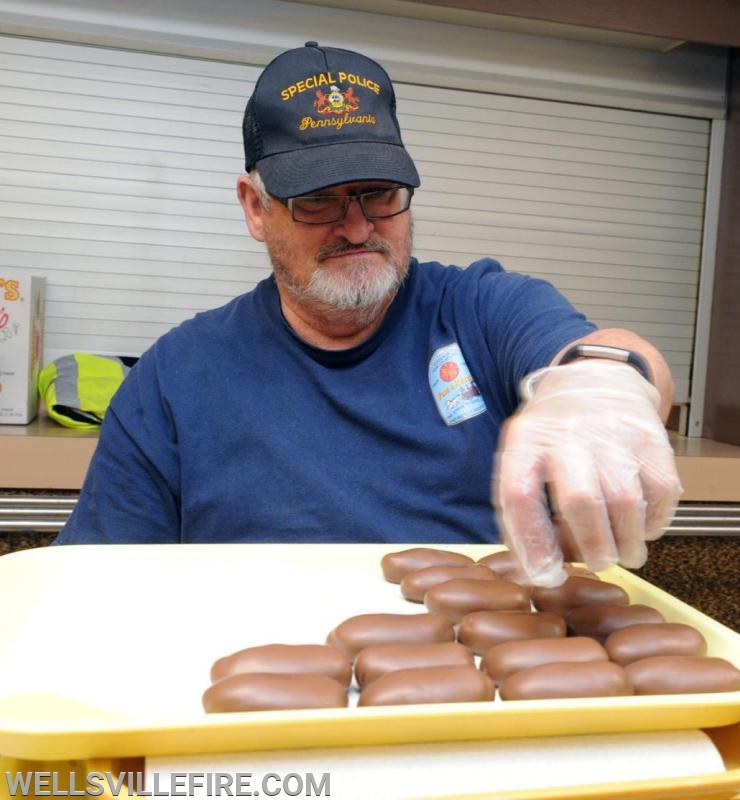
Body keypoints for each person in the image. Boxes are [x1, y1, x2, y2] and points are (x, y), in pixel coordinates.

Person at [54, 41, 682, 586]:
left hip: (469, 691)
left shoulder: (478, 310)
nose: (356, 227)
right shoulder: (176, 376)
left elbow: (609, 351)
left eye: (379, 194)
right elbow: (99, 583)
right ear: (254, 207)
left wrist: (604, 384)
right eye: (318, 200)